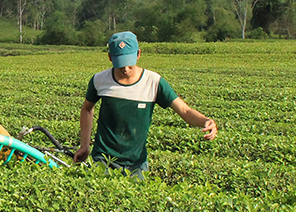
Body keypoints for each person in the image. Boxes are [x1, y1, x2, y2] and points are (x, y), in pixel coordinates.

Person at [74, 32, 217, 176]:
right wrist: (85, 145)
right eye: (120, 64)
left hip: (136, 163)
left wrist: (206, 121)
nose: (125, 69)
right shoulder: (99, 80)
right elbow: (87, 109)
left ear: (138, 54)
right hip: (103, 159)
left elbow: (185, 111)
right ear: (110, 58)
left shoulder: (153, 82)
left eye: (129, 63)